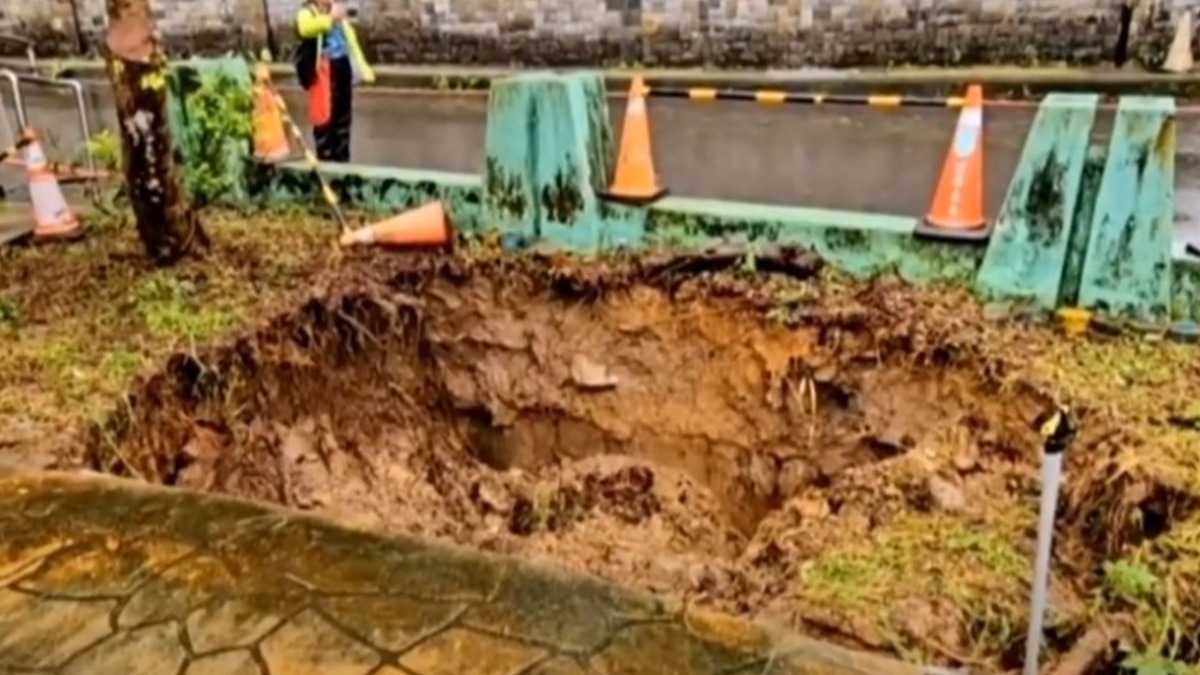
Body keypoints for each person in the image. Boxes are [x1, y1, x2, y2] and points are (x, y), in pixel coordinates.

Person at [294, 1, 374, 163]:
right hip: (324, 68)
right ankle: (326, 158)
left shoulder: (337, 13)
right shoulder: (308, 12)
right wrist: (330, 19)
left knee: (343, 116)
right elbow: (304, 27)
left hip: (342, 66)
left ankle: (342, 159)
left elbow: (351, 43)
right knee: (324, 116)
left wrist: (363, 68)